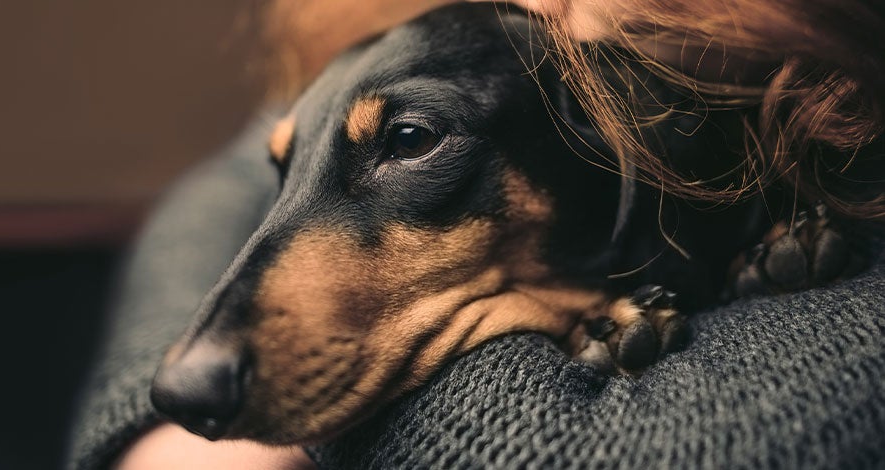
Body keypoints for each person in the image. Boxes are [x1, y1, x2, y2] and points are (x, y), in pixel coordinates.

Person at [68, 1, 885, 468]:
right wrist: (168, 432)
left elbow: (606, 449)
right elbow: (240, 171)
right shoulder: (484, 40)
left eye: (411, 142)